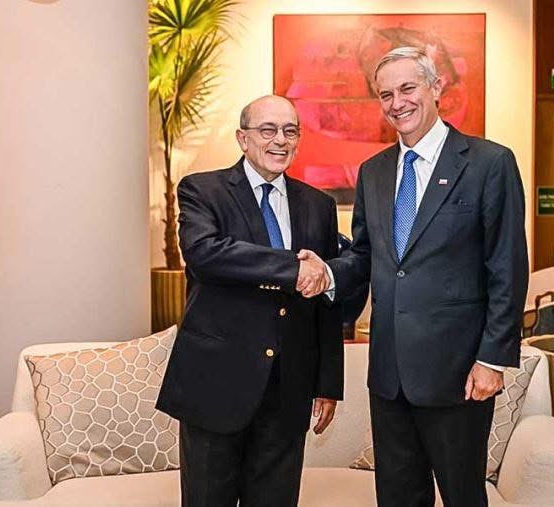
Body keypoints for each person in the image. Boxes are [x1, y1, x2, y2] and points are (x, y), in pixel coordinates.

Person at [299, 47, 529, 506]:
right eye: (386, 94)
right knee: (398, 496)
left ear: (436, 87)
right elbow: (365, 256)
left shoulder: (489, 163)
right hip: (389, 374)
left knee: (463, 495)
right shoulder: (373, 172)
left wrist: (493, 359)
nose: (397, 102)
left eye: (408, 88)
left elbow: (507, 265)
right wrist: (327, 271)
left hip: (459, 373)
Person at [156, 95, 343, 507]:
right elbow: (205, 254)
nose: (280, 140)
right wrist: (293, 268)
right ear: (243, 138)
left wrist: (327, 384)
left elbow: (324, 304)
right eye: (268, 130)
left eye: (290, 131)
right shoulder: (202, 190)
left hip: (288, 391)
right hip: (216, 386)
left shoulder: (319, 206)